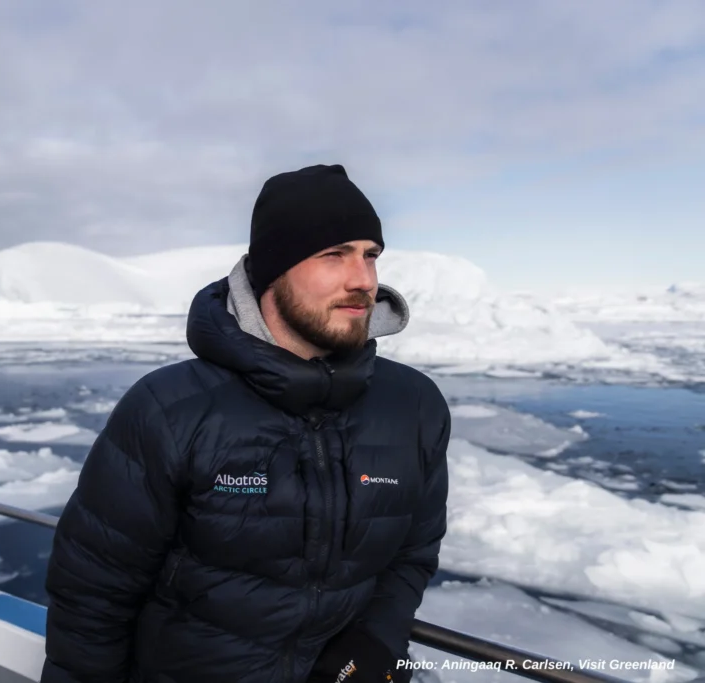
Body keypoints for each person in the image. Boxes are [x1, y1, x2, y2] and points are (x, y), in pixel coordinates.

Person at [40, 164, 450, 683]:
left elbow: (414, 551)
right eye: (333, 255)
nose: (363, 280)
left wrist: (375, 641)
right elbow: (92, 594)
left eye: (370, 255)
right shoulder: (170, 409)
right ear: (273, 271)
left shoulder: (413, 405)